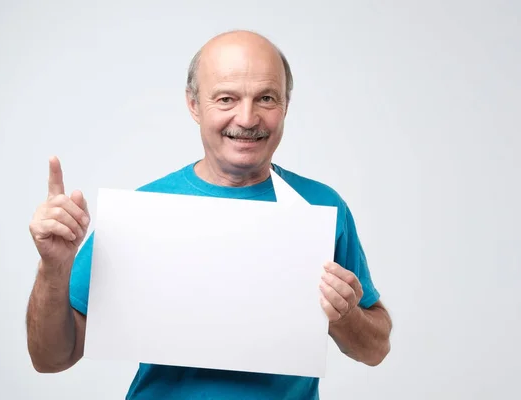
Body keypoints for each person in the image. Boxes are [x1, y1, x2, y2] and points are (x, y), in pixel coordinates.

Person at [26, 30, 392, 399]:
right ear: (194, 105)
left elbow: (375, 350)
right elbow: (51, 358)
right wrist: (53, 268)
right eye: (226, 98)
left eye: (266, 98)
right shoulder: (144, 211)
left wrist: (346, 317)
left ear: (286, 104)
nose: (247, 118)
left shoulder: (321, 206)